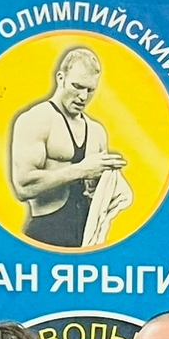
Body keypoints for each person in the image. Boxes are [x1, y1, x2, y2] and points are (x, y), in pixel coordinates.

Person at [9, 47, 129, 251]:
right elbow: (23, 188)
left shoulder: (97, 131)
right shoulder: (36, 119)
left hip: (87, 237)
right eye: (77, 86)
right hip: (45, 234)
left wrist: (110, 186)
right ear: (61, 78)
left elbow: (96, 192)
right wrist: (82, 170)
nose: (83, 96)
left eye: (90, 90)